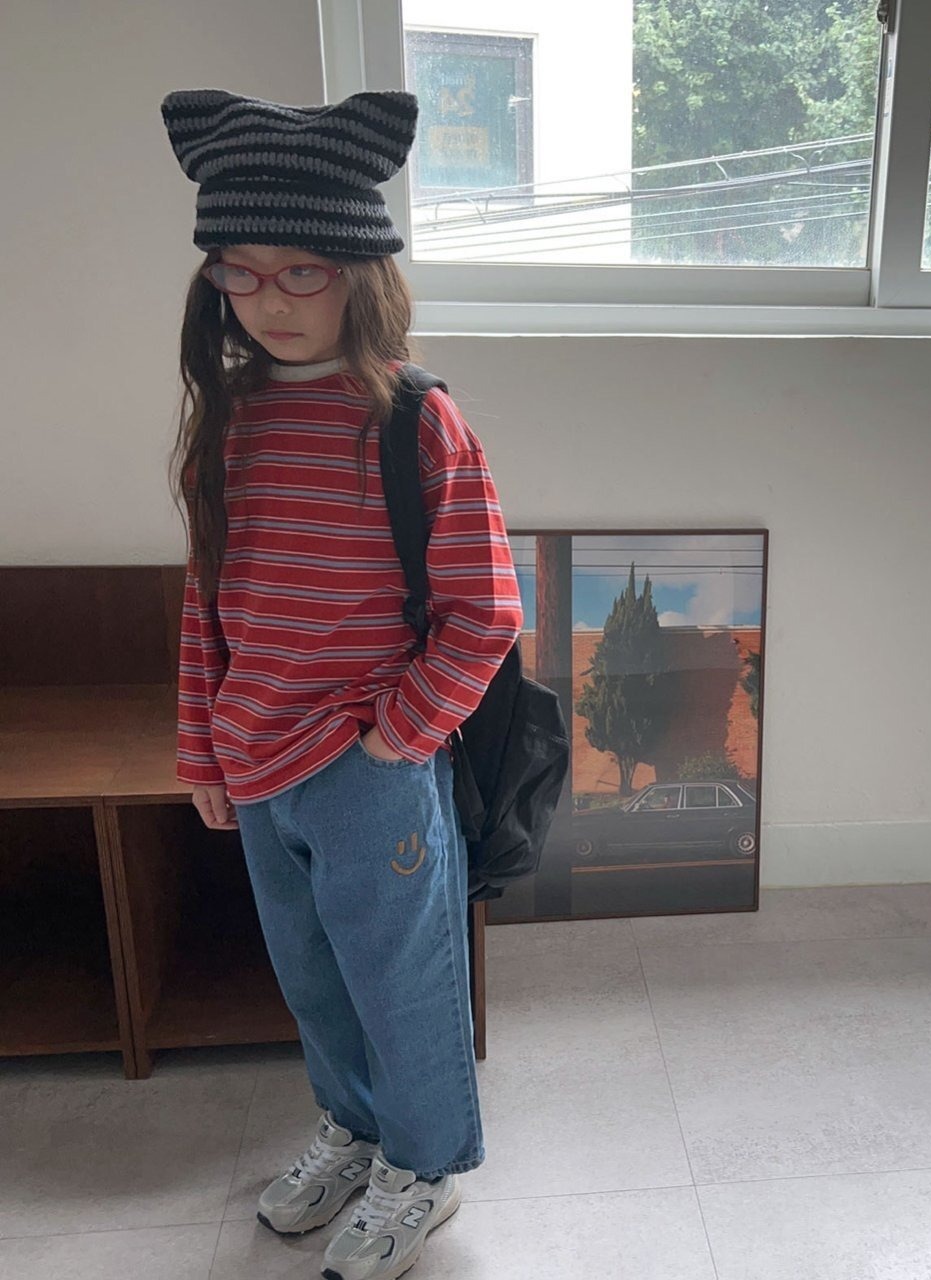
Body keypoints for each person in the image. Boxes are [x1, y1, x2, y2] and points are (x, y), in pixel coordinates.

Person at [160, 87, 523, 1280]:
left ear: (360, 269)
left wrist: (393, 741)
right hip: (257, 760)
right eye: (240, 270)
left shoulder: (416, 420)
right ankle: (354, 1128)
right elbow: (208, 601)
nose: (268, 299)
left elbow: (484, 610)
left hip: (368, 768)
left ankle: (423, 1167)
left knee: (401, 983)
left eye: (301, 270)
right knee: (312, 975)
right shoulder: (228, 420)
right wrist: (204, 748)